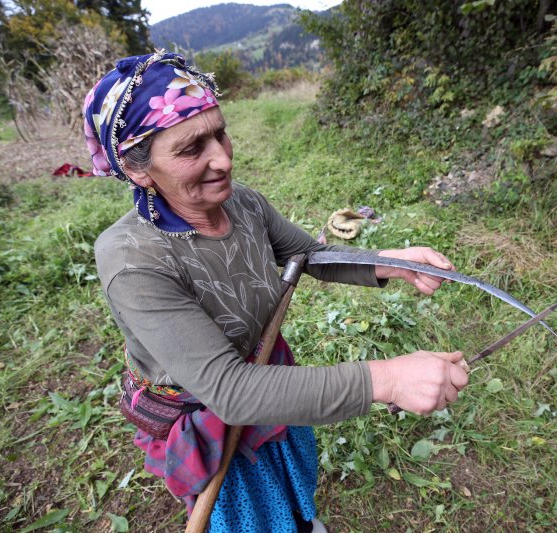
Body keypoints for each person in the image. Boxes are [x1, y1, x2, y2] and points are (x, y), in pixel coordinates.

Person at [84, 52, 469, 532]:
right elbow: (229, 390)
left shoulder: (241, 202)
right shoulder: (133, 259)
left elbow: (308, 256)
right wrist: (385, 380)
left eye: (220, 133)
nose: (222, 158)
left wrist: (390, 262)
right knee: (252, 515)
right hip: (216, 415)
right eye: (191, 149)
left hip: (271, 375)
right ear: (138, 168)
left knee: (291, 484)